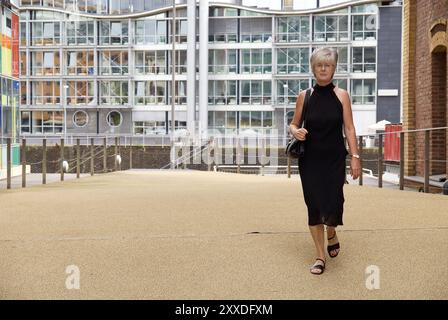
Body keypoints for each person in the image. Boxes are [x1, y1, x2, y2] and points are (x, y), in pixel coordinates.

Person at [289, 47, 361, 275]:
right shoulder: (304, 96)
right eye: (319, 65)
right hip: (309, 160)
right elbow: (293, 123)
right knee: (314, 206)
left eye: (327, 65)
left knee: (334, 203)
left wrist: (355, 157)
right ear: (313, 68)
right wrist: (295, 132)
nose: (323, 69)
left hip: (334, 159)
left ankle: (332, 231)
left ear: (333, 69)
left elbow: (349, 128)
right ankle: (320, 256)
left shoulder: (342, 96)